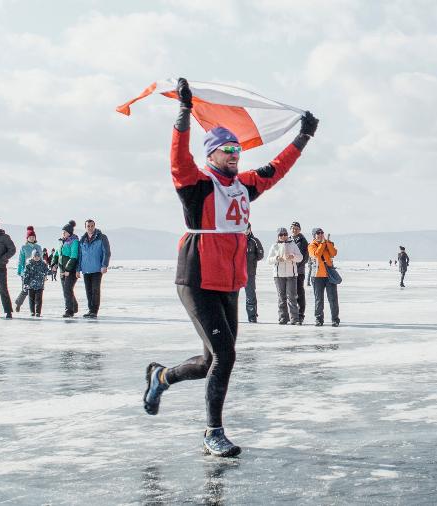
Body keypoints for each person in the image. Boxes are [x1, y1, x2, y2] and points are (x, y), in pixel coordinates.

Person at [141, 78, 318, 458]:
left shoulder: (244, 185)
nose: (235, 154)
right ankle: (213, 432)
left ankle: (161, 376)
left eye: (237, 148)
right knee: (226, 357)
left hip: (229, 281)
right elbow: (178, 157)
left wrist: (304, 137)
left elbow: (276, 168)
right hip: (197, 277)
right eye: (226, 149)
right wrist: (184, 113)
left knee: (210, 360)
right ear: (212, 154)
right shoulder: (196, 185)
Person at [268, 227, 303, 325]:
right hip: (278, 276)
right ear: (278, 236)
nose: (283, 236)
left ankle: (295, 319)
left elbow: (300, 257)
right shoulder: (274, 246)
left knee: (291, 297)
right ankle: (283, 317)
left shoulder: (293, 244)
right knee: (281, 297)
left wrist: (293, 257)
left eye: (285, 234)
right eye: (281, 235)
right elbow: (268, 260)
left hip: (291, 275)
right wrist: (277, 258)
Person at [78, 219, 111, 319]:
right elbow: (80, 255)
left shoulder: (102, 237)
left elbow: (107, 252)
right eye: (88, 226)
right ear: (85, 227)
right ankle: (90, 310)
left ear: (94, 226)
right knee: (88, 290)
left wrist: (104, 265)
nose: (90, 228)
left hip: (97, 269)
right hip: (86, 269)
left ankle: (94, 311)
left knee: (95, 290)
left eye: (92, 226)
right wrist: (77, 269)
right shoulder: (82, 239)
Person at [308, 227, 340, 327]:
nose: (320, 234)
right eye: (318, 233)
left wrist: (328, 243)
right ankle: (318, 319)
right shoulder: (311, 245)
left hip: (329, 275)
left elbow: (334, 253)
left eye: (322, 233)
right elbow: (316, 254)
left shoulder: (328, 243)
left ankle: (335, 319)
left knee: (333, 298)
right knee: (319, 299)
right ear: (314, 235)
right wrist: (322, 244)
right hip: (317, 275)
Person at [52, 220, 80, 318]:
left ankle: (69, 311)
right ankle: (74, 306)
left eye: (65, 232)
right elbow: (56, 254)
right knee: (66, 290)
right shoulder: (61, 241)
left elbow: (73, 256)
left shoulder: (74, 241)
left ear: (70, 232)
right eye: (62, 232)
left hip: (71, 270)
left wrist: (68, 269)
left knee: (67, 289)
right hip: (62, 270)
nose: (63, 233)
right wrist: (54, 264)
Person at [15, 226, 42, 312]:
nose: (32, 238)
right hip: (26, 272)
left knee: (35, 291)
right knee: (25, 289)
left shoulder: (38, 247)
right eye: (30, 237)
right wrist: (20, 271)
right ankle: (18, 303)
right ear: (27, 238)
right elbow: (21, 260)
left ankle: (34, 309)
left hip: (36, 273)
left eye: (33, 237)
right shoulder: (24, 247)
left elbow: (41, 259)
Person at [289, 222, 310, 324]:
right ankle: (292, 315)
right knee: (290, 294)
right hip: (288, 272)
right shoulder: (287, 239)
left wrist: (294, 266)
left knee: (299, 293)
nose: (294, 230)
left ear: (300, 230)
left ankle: (300, 314)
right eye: (293, 228)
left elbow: (304, 258)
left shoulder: (303, 241)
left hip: (299, 272)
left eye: (297, 228)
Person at [244, 224, 264, 323]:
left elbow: (260, 255)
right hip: (236, 273)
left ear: (250, 229)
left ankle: (252, 317)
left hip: (250, 272)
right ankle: (231, 317)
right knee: (232, 296)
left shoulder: (254, 241)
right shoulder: (236, 239)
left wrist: (252, 260)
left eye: (247, 228)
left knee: (250, 295)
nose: (245, 230)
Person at [23, 249, 51, 317]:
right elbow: (26, 274)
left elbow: (47, 271)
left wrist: (52, 270)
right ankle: (32, 312)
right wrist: (25, 283)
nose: (37, 257)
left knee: (38, 299)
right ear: (32, 256)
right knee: (31, 299)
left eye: (38, 256)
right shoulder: (29, 264)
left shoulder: (43, 264)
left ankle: (38, 312)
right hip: (31, 285)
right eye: (35, 256)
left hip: (39, 285)